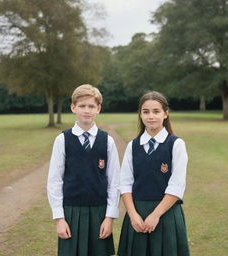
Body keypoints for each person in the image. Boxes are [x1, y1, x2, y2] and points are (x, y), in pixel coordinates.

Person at [47, 84, 120, 256]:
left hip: (99, 213)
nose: (86, 110)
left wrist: (109, 218)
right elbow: (54, 181)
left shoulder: (107, 141)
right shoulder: (62, 140)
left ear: (98, 109)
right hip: (71, 212)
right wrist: (59, 219)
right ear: (73, 107)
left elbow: (114, 183)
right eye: (82, 106)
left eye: (91, 106)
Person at [118, 91, 190, 256]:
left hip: (166, 215)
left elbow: (176, 186)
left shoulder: (176, 144)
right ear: (140, 115)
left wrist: (156, 215)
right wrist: (132, 214)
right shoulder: (132, 146)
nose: (151, 116)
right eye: (146, 111)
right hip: (137, 216)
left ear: (165, 114)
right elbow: (125, 183)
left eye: (156, 111)